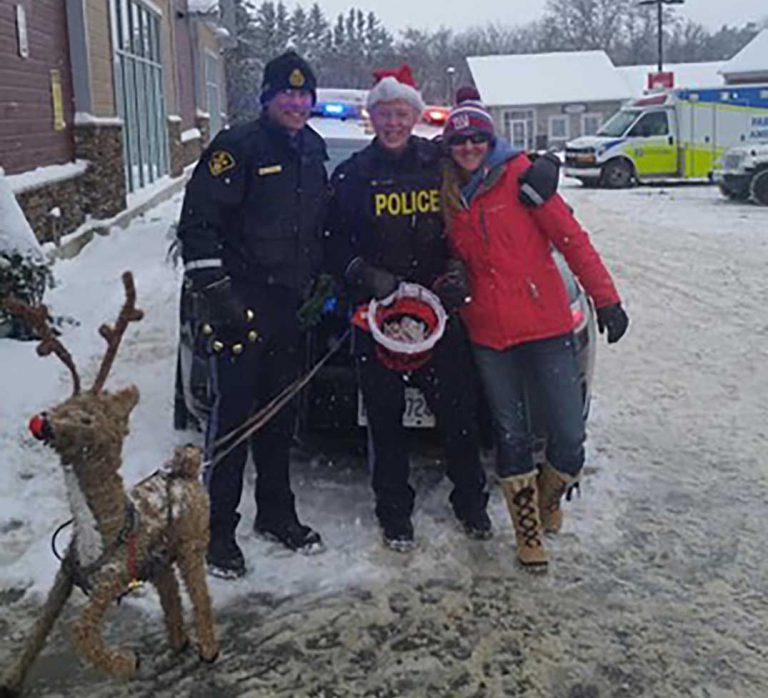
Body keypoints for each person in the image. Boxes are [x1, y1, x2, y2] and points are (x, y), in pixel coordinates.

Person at [325, 68, 561, 552]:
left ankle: (470, 505)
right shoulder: (350, 176)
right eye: (384, 114)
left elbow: (488, 168)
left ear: (414, 116)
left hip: (440, 310)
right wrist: (362, 274)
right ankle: (395, 515)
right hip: (379, 315)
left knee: (459, 418)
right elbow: (330, 245)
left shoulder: (438, 162)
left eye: (401, 114)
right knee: (384, 424)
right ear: (371, 118)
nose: (393, 122)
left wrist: (543, 163)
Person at [440, 90, 629, 571]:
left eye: (476, 138)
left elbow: (571, 238)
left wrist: (606, 300)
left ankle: (549, 498)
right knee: (511, 433)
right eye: (458, 139)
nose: (468, 147)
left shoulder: (524, 179)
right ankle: (528, 535)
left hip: (545, 326)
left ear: (490, 138)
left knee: (567, 433)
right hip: (488, 333)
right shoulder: (447, 195)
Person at [177, 51, 329, 578]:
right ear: (267, 97)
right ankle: (216, 532)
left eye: (304, 94)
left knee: (280, 417)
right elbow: (197, 226)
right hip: (237, 308)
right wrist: (220, 298)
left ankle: (275, 514)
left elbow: (318, 228)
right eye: (286, 94)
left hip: (289, 308)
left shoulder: (313, 148)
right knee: (233, 423)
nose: (296, 102)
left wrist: (323, 280)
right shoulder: (236, 148)